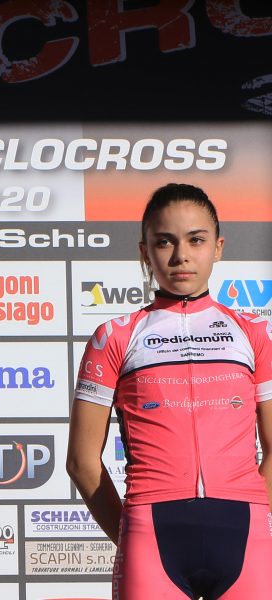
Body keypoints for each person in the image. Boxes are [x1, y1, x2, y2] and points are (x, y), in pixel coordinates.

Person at [67, 182, 272, 599]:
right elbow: (81, 462)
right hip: (151, 533)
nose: (181, 255)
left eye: (196, 240)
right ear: (145, 252)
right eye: (164, 242)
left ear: (218, 247)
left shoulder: (255, 333)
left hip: (246, 534)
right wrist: (130, 532)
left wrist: (257, 515)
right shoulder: (114, 336)